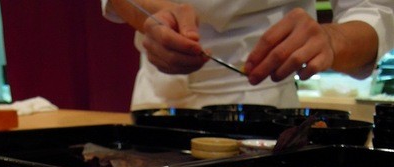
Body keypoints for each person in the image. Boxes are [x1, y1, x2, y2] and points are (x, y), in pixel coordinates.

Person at [100, 0, 394, 109]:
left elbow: (375, 9)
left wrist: (331, 39)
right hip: (155, 100)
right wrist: (152, 16)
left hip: (265, 107)